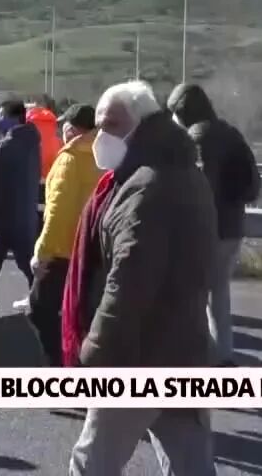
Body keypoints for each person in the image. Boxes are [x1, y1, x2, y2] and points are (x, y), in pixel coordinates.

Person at [69, 80, 218, 475]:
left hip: (139, 353)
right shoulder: (180, 171)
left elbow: (128, 280)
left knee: (92, 463)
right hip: (182, 346)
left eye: (111, 125)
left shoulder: (146, 187)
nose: (102, 136)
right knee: (189, 461)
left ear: (140, 124)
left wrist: (97, 350)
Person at [168, 83, 261, 366]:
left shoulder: (197, 138)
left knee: (189, 295)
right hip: (233, 226)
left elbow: (198, 189)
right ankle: (222, 356)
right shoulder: (229, 132)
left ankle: (192, 358)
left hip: (209, 230)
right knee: (217, 294)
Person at [28, 104, 102, 366]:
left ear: (72, 128)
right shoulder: (104, 154)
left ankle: (62, 370)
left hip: (64, 250)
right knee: (83, 314)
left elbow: (58, 210)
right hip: (94, 247)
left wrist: (42, 251)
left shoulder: (70, 158)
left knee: (40, 309)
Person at [0, 100, 41, 305]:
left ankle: (43, 298)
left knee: (22, 261)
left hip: (10, 214)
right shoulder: (31, 141)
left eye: (1, 115)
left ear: (13, 118)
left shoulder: (10, 145)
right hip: (22, 211)